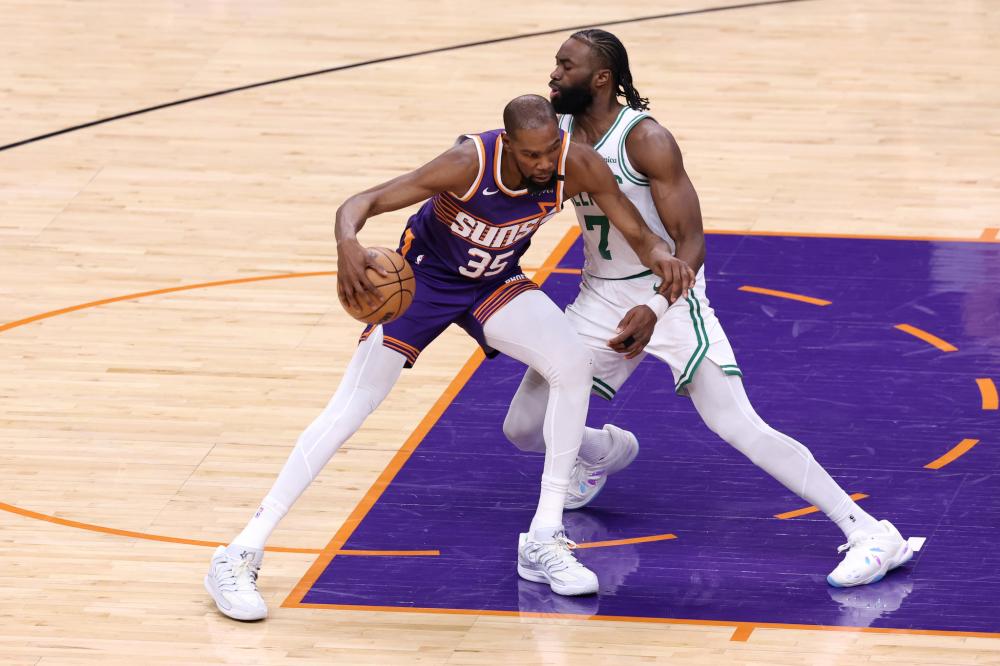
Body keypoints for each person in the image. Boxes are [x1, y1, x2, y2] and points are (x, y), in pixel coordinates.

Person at [204, 94, 696, 620]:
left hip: (493, 283)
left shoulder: (575, 163)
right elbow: (363, 201)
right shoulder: (468, 163)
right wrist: (347, 242)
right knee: (352, 407)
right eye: (531, 156)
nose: (543, 164)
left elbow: (638, 232)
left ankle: (544, 536)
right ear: (508, 144)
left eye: (550, 150)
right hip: (422, 282)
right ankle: (239, 552)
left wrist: (661, 258)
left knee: (571, 362)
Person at [502, 30, 913, 589]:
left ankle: (870, 532)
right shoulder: (558, 136)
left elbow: (691, 245)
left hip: (667, 300)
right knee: (523, 427)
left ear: (601, 79)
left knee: (736, 424)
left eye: (564, 66)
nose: (552, 74)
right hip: (597, 298)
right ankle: (600, 451)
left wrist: (654, 304)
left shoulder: (646, 140)